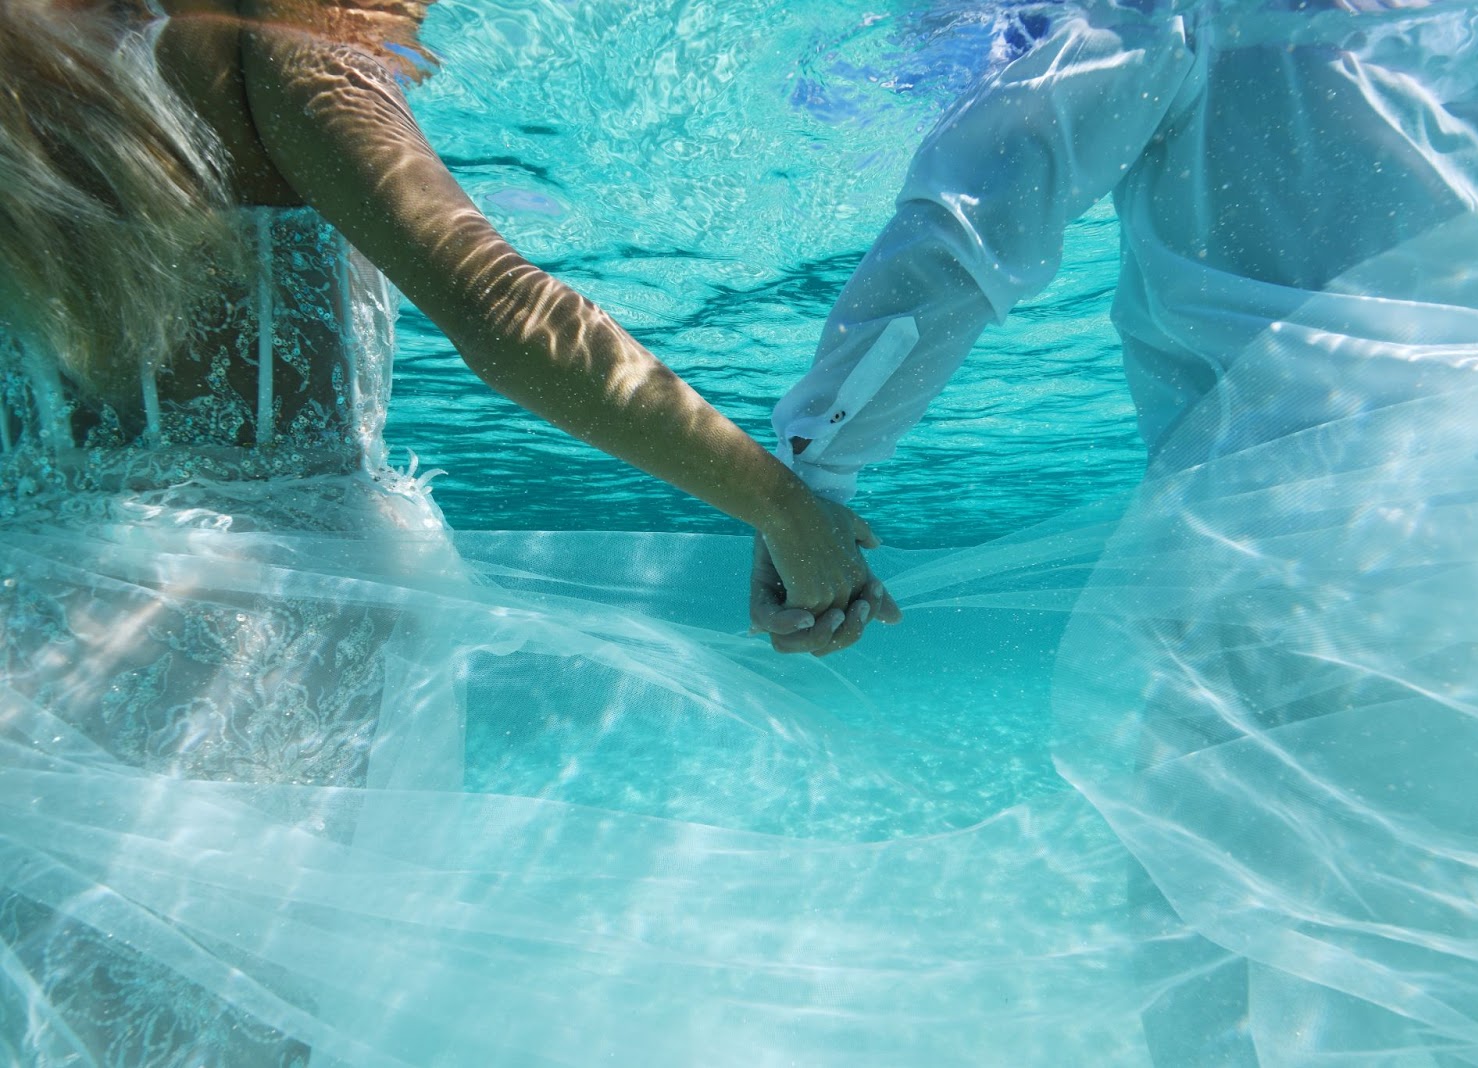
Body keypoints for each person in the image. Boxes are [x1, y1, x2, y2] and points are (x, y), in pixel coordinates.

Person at [0, 0, 893, 1062]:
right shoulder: (271, 62)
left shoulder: (28, 87)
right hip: (274, 630)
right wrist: (783, 507)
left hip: (39, 634)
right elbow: (508, 314)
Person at [752, 0, 1478, 1062]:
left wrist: (811, 474)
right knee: (1477, 926)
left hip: (1290, 524)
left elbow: (966, 232)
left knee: (1199, 891)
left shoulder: (1164, 13)